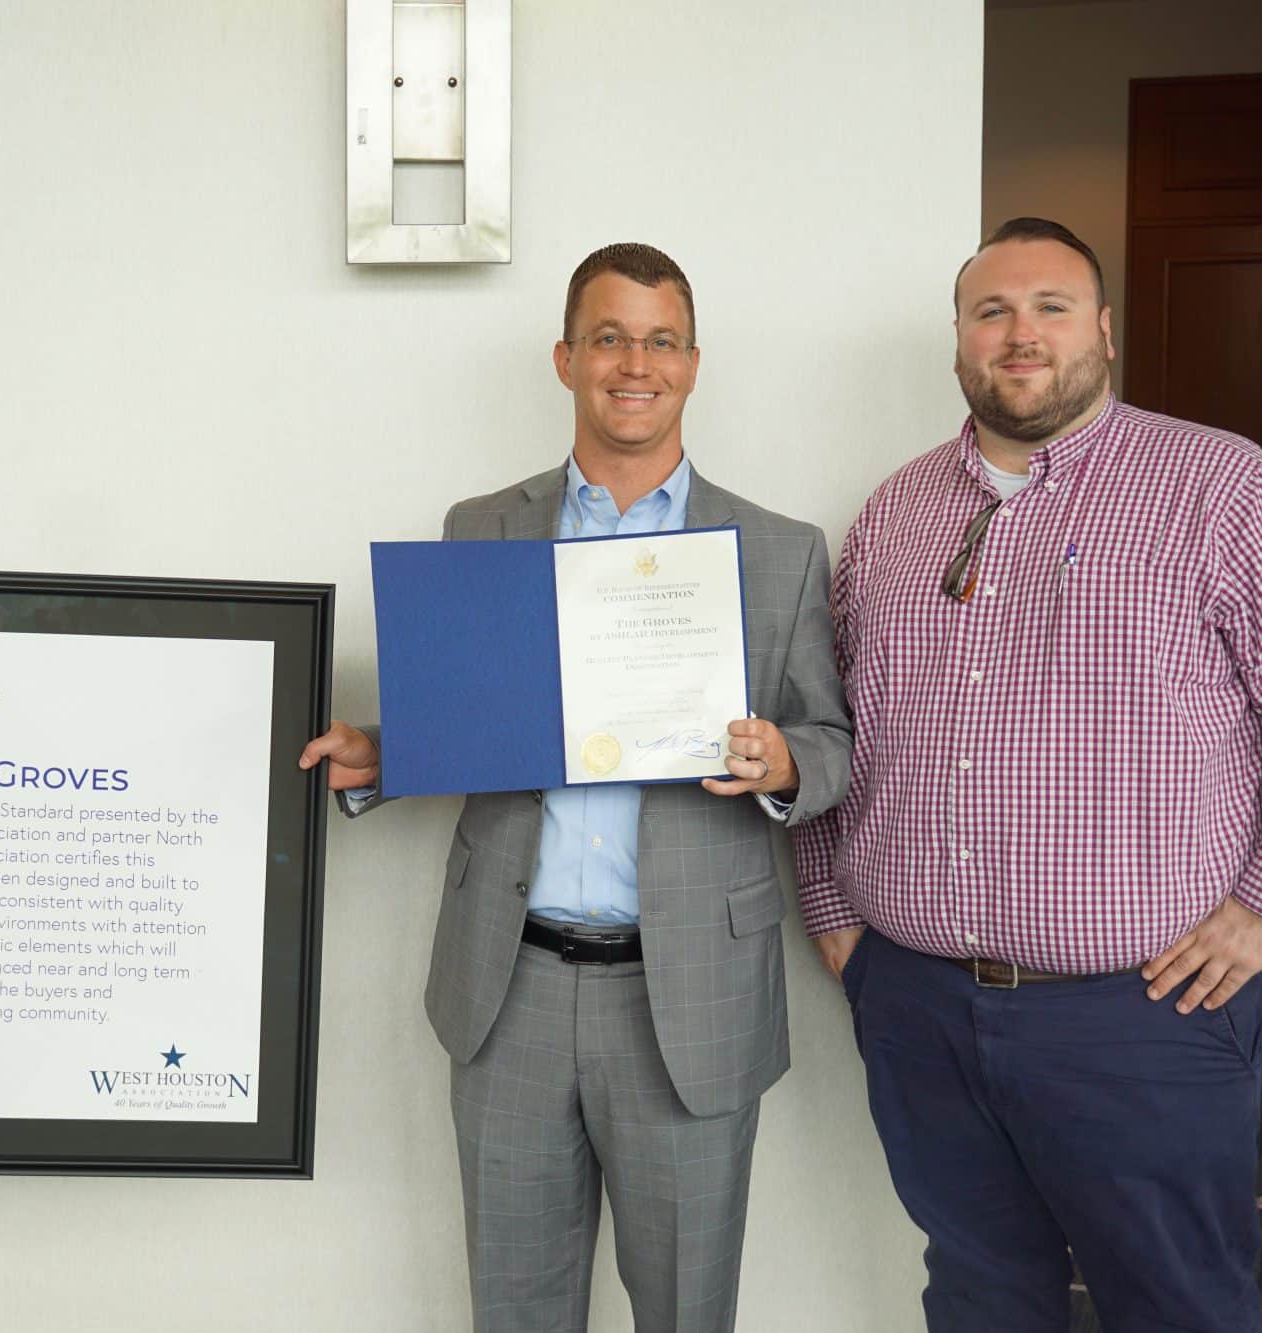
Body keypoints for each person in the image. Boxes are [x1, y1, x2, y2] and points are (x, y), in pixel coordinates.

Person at [793, 217, 1262, 1331]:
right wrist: (834, 906)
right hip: (917, 1005)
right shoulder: (893, 512)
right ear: (959, 343)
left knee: (1176, 1304)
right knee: (977, 1295)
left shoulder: (1220, 488)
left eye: (1049, 306)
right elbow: (827, 721)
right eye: (990, 311)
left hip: (1140, 1016)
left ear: (1103, 331)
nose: (1019, 334)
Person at [300, 242, 852, 1332]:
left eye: (657, 340)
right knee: (513, 1311)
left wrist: (782, 765)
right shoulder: (481, 529)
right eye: (606, 337)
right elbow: (473, 719)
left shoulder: (780, 551)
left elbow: (829, 741)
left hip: (688, 996)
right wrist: (385, 748)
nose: (630, 362)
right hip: (510, 991)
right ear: (564, 358)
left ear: (692, 363)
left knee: (686, 1312)